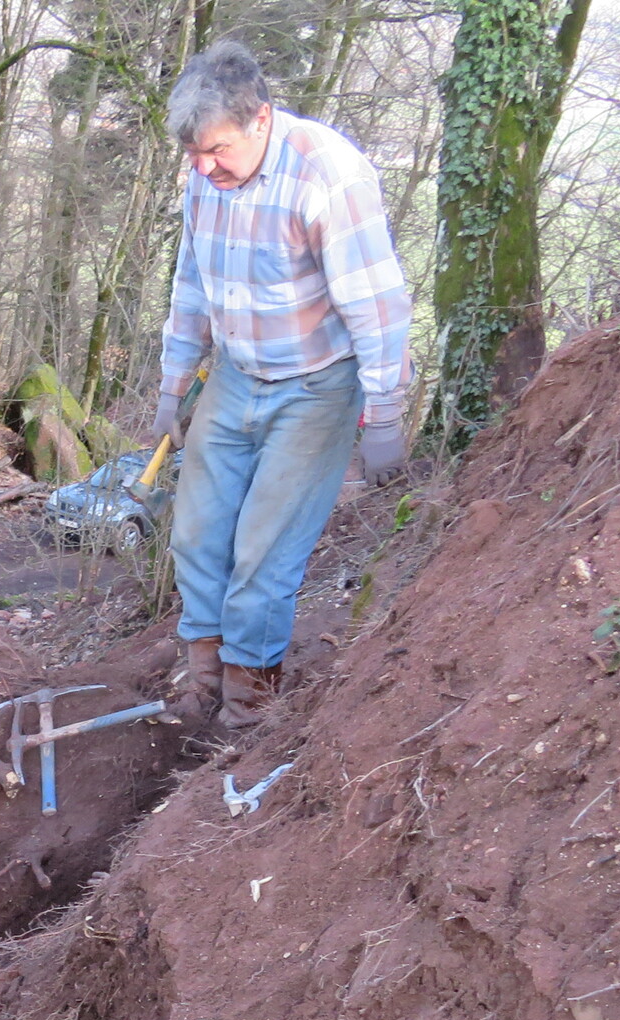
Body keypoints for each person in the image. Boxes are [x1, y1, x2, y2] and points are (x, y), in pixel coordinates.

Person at [154, 40, 413, 734]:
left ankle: (247, 706)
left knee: (264, 552)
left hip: (316, 387)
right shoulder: (204, 180)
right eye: (193, 153)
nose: (204, 167)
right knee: (197, 533)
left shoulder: (327, 175)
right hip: (236, 374)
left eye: (218, 150)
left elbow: (378, 306)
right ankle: (202, 683)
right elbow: (191, 287)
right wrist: (172, 388)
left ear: (261, 118)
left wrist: (385, 414)